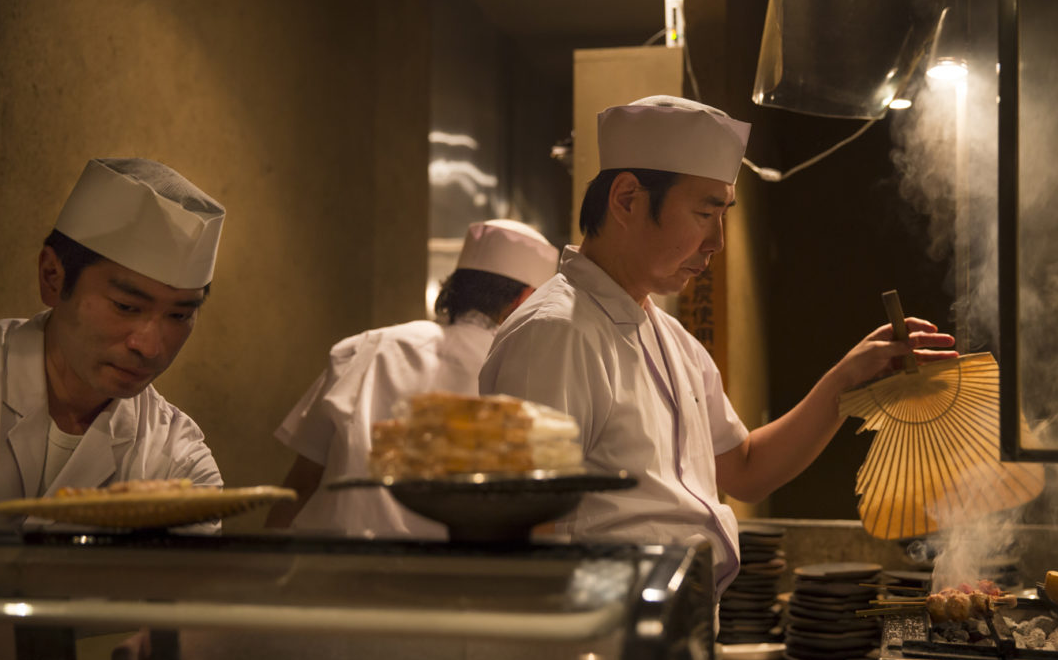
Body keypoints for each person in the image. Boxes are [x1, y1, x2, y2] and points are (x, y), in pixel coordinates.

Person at [479, 96, 958, 597]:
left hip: (670, 638)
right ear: (626, 199)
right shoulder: (557, 333)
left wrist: (847, 381)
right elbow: (524, 535)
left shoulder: (669, 338)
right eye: (705, 213)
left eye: (724, 214)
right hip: (604, 650)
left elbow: (746, 470)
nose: (717, 242)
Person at [0, 158, 226, 528]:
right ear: (52, 277)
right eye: (126, 306)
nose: (150, 347)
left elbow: (185, 582)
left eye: (179, 315)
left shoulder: (178, 463)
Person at [265, 219, 560, 538]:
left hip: (329, 568)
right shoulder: (525, 373)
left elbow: (301, 483)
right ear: (525, 299)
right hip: (445, 578)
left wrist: (266, 573)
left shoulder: (366, 347)